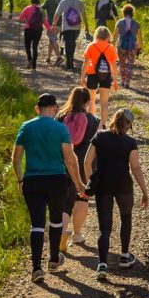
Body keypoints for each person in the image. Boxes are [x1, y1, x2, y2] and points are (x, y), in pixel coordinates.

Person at [12, 93, 86, 283]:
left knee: (36, 224)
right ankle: (53, 259)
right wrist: (78, 184)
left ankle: (36, 267)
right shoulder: (60, 128)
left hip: (32, 180)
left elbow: (16, 158)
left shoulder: (26, 127)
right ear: (54, 109)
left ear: (37, 109)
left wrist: (20, 180)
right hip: (56, 180)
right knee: (55, 220)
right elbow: (70, 159)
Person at [84, 108, 149, 280]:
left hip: (103, 185)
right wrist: (144, 191)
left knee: (104, 227)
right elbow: (135, 168)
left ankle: (102, 265)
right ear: (128, 125)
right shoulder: (130, 142)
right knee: (126, 217)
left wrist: (90, 180)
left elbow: (87, 161)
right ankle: (125, 256)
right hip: (123, 185)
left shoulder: (100, 136)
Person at [56, 87, 100, 252]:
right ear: (88, 102)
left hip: (63, 162)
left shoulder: (60, 117)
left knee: (65, 202)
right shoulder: (93, 120)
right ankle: (77, 234)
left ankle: (60, 234)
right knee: (82, 197)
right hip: (84, 163)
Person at [81, 27, 120, 127]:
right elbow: (114, 67)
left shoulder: (91, 46)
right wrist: (115, 81)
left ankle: (90, 123)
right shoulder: (110, 48)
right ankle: (103, 125)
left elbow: (85, 63)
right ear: (108, 36)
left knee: (91, 100)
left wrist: (82, 78)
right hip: (106, 74)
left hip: (92, 74)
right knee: (104, 103)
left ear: (97, 35)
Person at [52, 0, 89, 70]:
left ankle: (69, 62)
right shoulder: (79, 2)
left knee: (68, 44)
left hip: (66, 26)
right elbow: (83, 15)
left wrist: (54, 24)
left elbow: (57, 14)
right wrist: (86, 26)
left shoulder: (63, 1)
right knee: (72, 43)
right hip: (77, 27)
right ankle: (71, 59)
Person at [18, 0, 52, 71]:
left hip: (28, 29)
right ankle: (34, 66)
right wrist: (50, 29)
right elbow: (45, 22)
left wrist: (24, 21)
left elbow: (20, 18)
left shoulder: (27, 8)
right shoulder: (41, 10)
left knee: (27, 46)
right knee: (35, 47)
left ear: (31, 1)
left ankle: (29, 59)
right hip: (38, 30)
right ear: (38, 1)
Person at [113, 4, 142, 88]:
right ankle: (127, 82)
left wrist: (114, 45)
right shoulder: (136, 24)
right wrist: (139, 47)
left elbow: (115, 35)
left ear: (123, 12)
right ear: (132, 13)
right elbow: (140, 36)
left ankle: (122, 79)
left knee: (122, 64)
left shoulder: (119, 22)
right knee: (130, 64)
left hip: (121, 46)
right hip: (132, 46)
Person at [42, 0, 63, 65]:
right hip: (59, 24)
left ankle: (59, 57)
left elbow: (41, 8)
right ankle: (48, 58)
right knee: (51, 40)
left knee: (53, 40)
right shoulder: (60, 1)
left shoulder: (48, 0)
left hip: (51, 25)